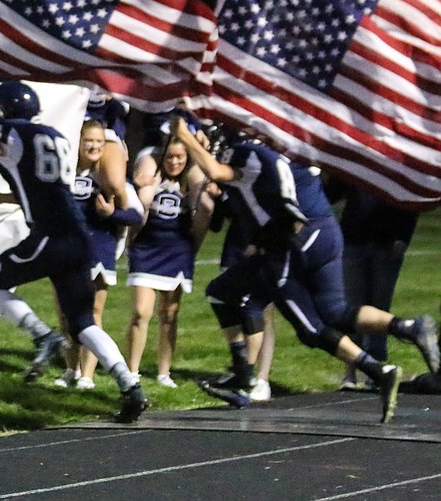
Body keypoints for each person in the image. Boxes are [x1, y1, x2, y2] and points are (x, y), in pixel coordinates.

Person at [170, 119, 439, 422]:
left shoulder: (247, 152)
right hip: (322, 231)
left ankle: (378, 370)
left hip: (292, 241)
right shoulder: (281, 148)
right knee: (330, 309)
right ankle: (409, 328)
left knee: (308, 328)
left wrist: (184, 137)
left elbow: (219, 172)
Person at [0, 77, 149, 424]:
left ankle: (44, 337)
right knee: (83, 321)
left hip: (50, 234)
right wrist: (8, 197)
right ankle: (130, 386)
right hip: (78, 236)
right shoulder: (56, 138)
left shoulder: (15, 136)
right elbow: (46, 186)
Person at [125, 136, 214, 387]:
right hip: (147, 249)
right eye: (170, 157)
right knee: (141, 312)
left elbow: (202, 217)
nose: (174, 162)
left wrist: (190, 249)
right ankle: (132, 371)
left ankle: (164, 373)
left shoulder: (189, 184)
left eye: (179, 157)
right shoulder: (150, 179)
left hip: (176, 251)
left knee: (169, 314)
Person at [68, 119, 143, 389]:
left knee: (93, 312)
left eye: (100, 142)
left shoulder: (110, 178)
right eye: (89, 140)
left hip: (99, 248)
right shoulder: (65, 171)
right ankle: (70, 370)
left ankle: (87, 375)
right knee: (67, 314)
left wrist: (112, 214)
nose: (95, 146)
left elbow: (136, 215)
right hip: (67, 249)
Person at [337, 186, 421, 390]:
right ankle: (351, 370)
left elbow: (411, 198)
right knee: (352, 308)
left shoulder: (397, 162)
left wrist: (403, 236)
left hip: (387, 241)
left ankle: (376, 369)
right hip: (353, 237)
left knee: (380, 306)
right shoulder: (357, 161)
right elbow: (334, 190)